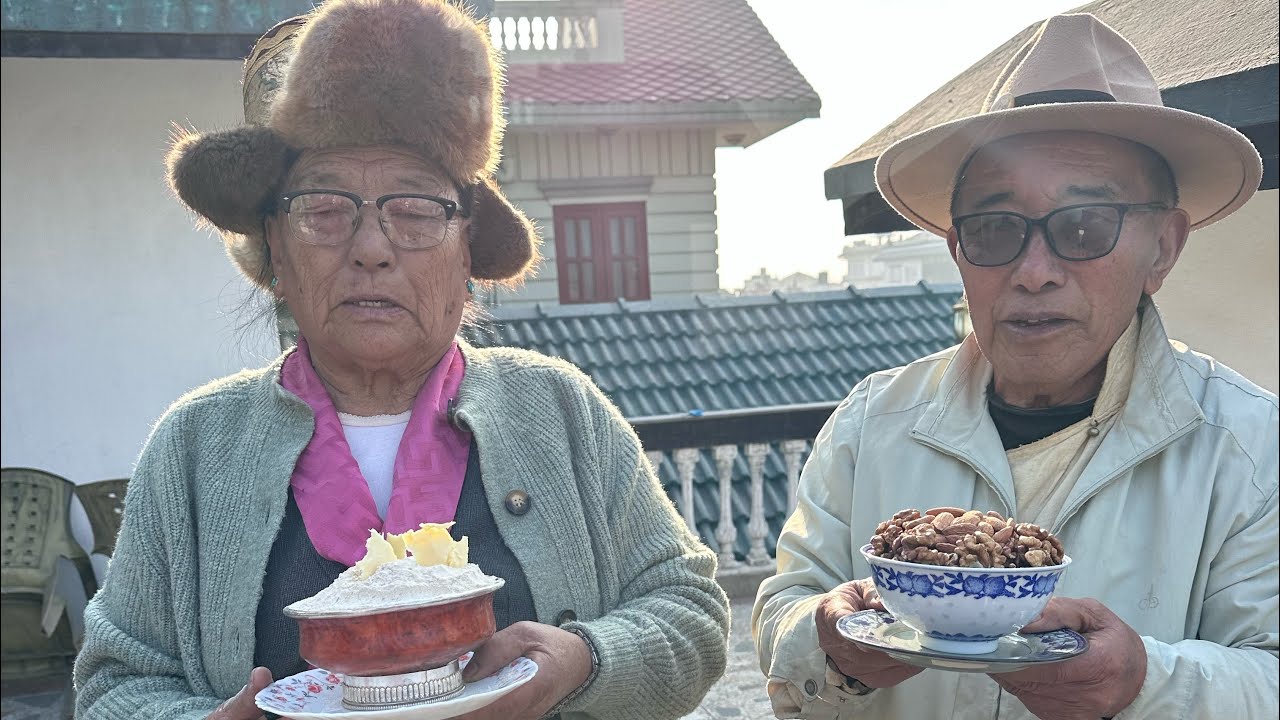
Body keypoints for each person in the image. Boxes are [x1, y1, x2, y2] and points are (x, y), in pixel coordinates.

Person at [72, 2, 729, 718]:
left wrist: (585, 660)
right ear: (276, 249)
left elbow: (688, 610)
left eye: (415, 211)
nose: (371, 247)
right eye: (325, 209)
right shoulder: (195, 447)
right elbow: (115, 683)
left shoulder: (559, 410)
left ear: (467, 250)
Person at [754, 13, 1277, 720]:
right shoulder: (873, 422)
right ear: (957, 250)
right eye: (996, 227)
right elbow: (789, 601)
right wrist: (829, 640)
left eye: (1085, 225)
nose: (1035, 272)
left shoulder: (1250, 450)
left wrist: (1145, 681)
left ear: (1163, 248)